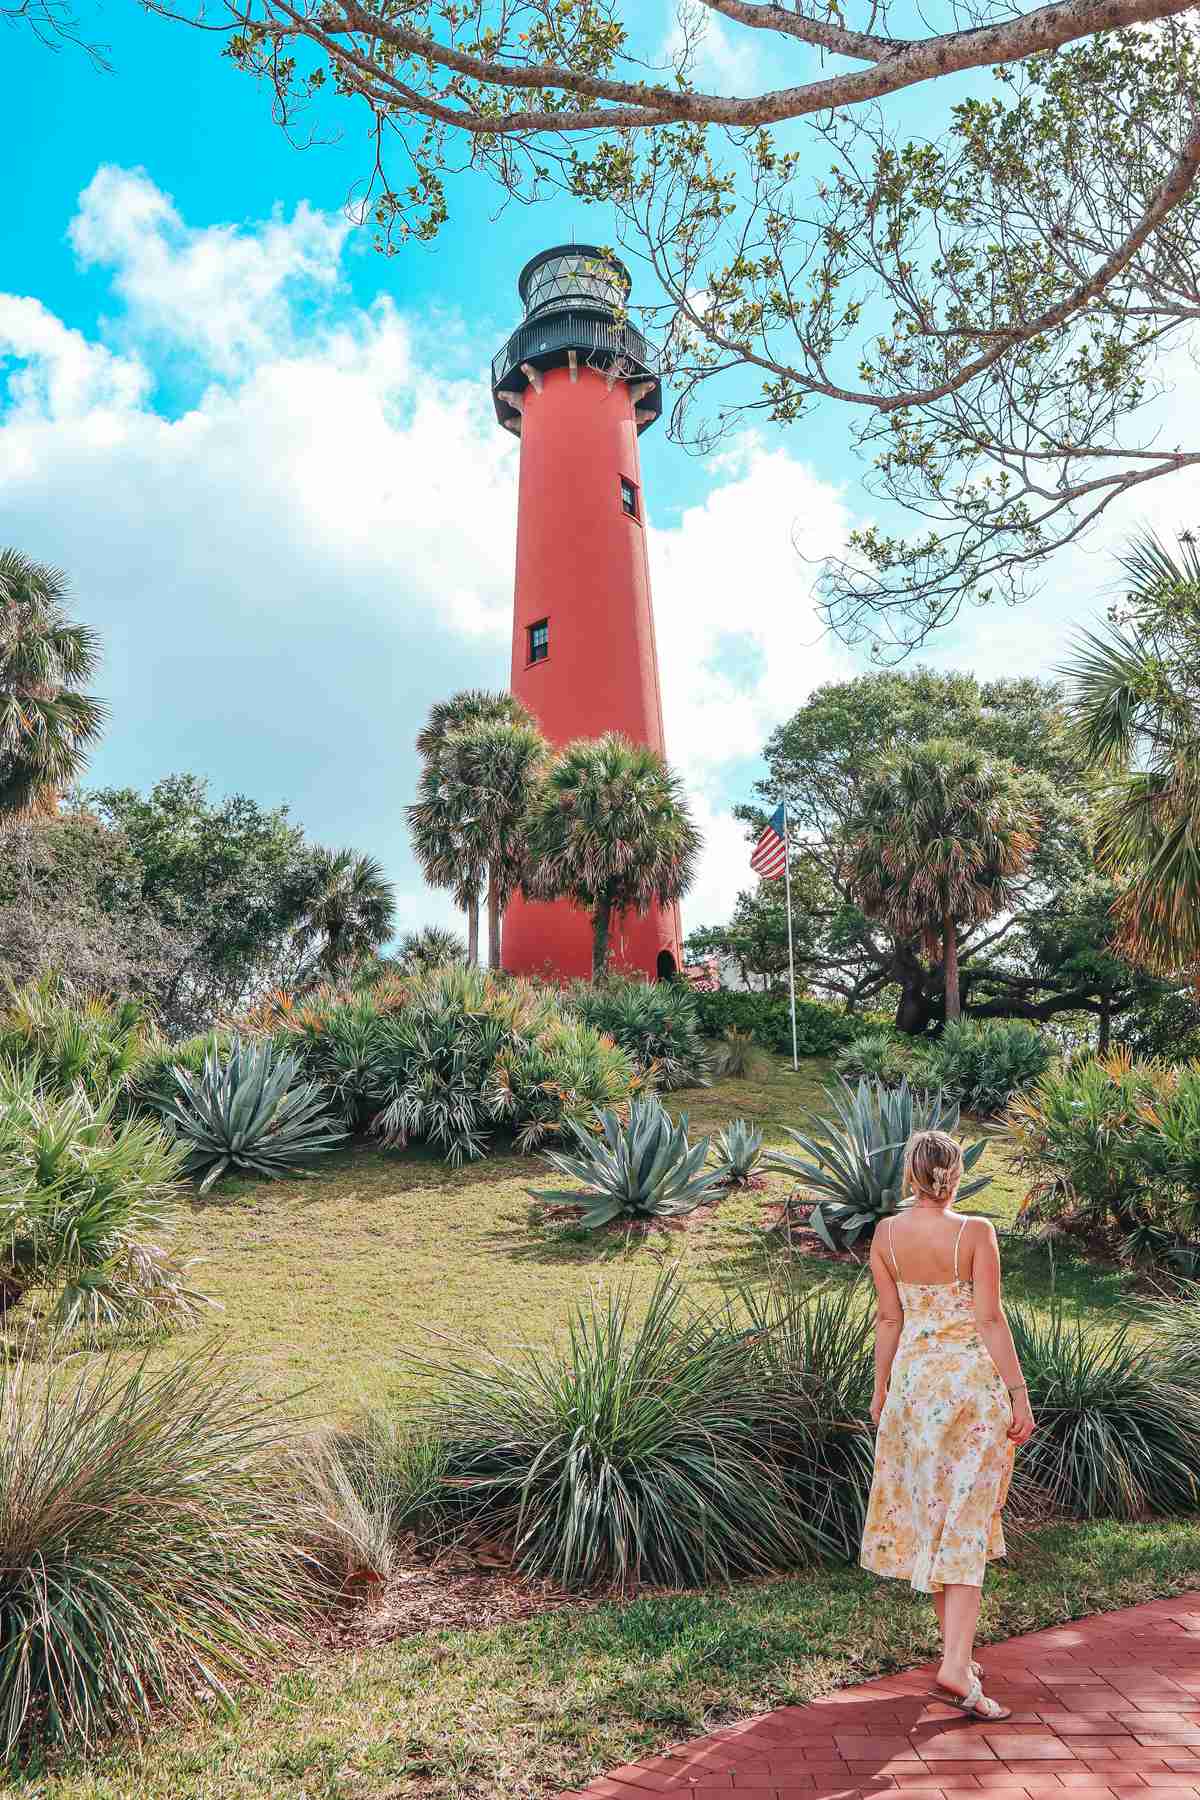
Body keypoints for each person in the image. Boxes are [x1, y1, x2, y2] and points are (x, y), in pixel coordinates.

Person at [860, 1127, 1036, 1721]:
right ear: (954, 1174)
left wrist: (881, 1391)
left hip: (914, 1392)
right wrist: (1019, 1392)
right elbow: (989, 1320)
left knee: (938, 1514)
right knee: (965, 1518)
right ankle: (957, 1667)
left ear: (911, 1175)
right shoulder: (974, 1233)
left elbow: (889, 1321)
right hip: (968, 1392)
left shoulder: (885, 1234)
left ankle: (956, 1656)